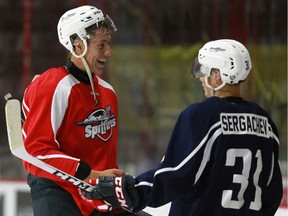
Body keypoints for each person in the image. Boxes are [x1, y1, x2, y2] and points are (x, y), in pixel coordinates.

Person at [84, 39, 283, 215]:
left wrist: (131, 191)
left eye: (203, 71)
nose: (199, 77)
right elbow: (272, 194)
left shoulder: (204, 115)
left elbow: (177, 173)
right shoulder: (265, 121)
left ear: (217, 75)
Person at [21, 5, 126, 216]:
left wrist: (108, 186)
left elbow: (105, 157)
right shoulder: (52, 86)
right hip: (56, 188)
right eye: (102, 45)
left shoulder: (108, 92)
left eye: (109, 44)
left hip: (94, 190)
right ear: (78, 46)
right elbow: (35, 153)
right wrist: (90, 174)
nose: (108, 52)